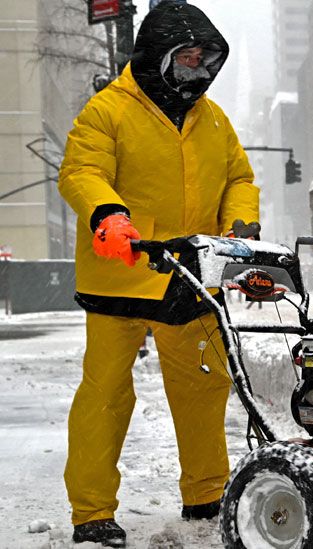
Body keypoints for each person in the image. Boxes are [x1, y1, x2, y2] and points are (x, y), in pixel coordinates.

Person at [57, 1, 258, 546]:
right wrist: (108, 214)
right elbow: (82, 170)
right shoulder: (108, 111)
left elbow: (238, 176)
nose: (196, 71)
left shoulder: (213, 120)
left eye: (204, 61)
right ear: (155, 58)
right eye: (185, 58)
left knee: (203, 388)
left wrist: (240, 223)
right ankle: (92, 511)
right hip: (119, 274)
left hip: (191, 272)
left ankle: (206, 493)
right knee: (106, 395)